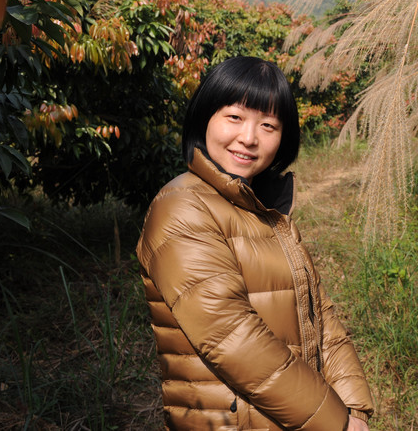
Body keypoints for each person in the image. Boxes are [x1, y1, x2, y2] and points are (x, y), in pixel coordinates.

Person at [136, 56, 374, 430]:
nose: (249, 137)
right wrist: (335, 422)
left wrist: (355, 408)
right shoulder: (182, 206)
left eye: (268, 125)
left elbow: (321, 315)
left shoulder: (265, 212)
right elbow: (232, 337)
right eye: (234, 117)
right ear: (204, 118)